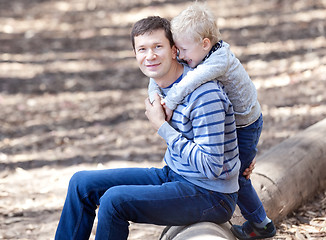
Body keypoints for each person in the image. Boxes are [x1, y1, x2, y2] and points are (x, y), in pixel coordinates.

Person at [54, 16, 242, 240]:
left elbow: (212, 167)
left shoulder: (204, 94)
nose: (150, 56)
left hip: (211, 194)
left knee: (114, 201)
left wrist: (162, 127)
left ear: (174, 51)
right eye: (142, 49)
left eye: (158, 47)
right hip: (174, 175)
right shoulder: (161, 83)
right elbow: (154, 81)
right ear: (135, 55)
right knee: (81, 184)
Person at [147, 3, 276, 240]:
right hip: (233, 123)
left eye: (183, 50)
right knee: (239, 169)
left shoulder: (219, 61)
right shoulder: (201, 54)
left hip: (246, 125)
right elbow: (161, 75)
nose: (181, 57)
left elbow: (188, 83)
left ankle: (261, 223)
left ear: (205, 44)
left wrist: (170, 103)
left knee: (238, 175)